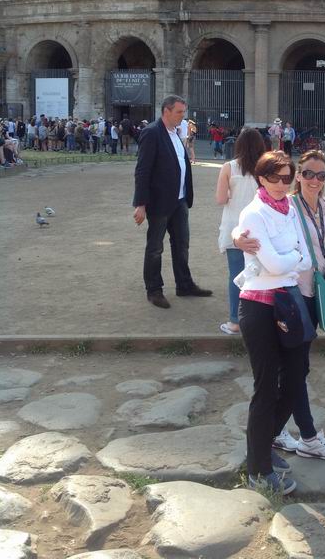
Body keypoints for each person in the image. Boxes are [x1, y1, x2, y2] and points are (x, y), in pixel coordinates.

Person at [234, 151, 312, 495]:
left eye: (286, 178)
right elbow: (278, 265)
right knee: (265, 387)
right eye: (274, 177)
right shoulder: (253, 213)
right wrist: (290, 257)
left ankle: (262, 446)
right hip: (258, 307)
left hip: (289, 302)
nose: (281, 184)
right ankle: (258, 469)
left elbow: (304, 259)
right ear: (261, 178)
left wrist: (287, 259)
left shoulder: (290, 208)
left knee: (296, 377)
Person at [271, 150, 325, 459]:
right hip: (293, 292)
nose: (315, 180)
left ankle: (276, 430)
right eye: (309, 174)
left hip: (318, 290)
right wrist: (239, 238)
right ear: (298, 176)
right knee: (296, 367)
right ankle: (309, 436)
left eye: (321, 175)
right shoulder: (287, 206)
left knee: (296, 366)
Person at [133, 95, 213, 309]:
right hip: (159, 201)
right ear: (166, 111)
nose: (182, 117)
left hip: (179, 201)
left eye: (183, 112)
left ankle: (184, 285)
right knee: (155, 248)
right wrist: (140, 204)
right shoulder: (152, 133)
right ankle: (154, 290)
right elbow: (142, 170)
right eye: (179, 112)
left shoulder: (176, 133)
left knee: (181, 244)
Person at [216, 128, 266, 335]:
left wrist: (233, 195)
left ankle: (235, 321)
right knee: (262, 276)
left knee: (236, 275)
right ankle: (259, 320)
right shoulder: (265, 168)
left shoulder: (229, 167)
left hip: (234, 228)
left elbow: (220, 199)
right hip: (260, 229)